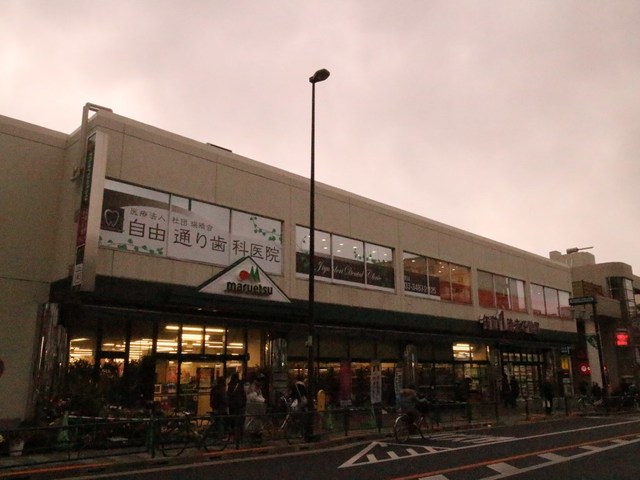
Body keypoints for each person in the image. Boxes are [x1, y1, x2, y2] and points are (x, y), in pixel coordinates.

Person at [227, 372, 246, 442]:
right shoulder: (240, 385)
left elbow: (228, 395)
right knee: (240, 421)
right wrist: (243, 403)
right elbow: (244, 395)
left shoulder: (230, 385)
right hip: (240, 406)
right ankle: (240, 436)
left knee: (233, 421)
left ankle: (233, 436)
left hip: (232, 406)